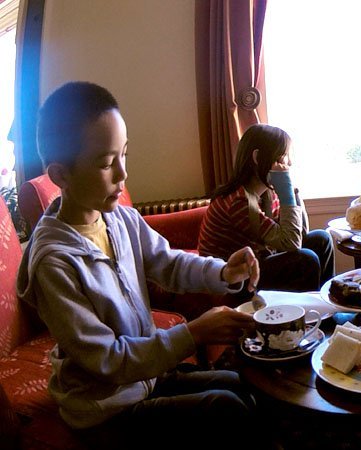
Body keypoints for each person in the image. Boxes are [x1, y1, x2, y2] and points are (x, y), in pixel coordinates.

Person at [16, 81, 263, 449]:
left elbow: (167, 263)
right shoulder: (54, 264)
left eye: (124, 154)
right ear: (60, 176)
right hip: (105, 408)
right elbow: (108, 361)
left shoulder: (118, 218)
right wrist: (193, 333)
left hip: (145, 377)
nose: (122, 174)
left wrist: (223, 271)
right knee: (226, 408)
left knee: (244, 383)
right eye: (105, 163)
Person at [198, 124, 334, 293]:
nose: (289, 163)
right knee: (306, 260)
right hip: (235, 279)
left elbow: (301, 233)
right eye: (283, 156)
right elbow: (291, 243)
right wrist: (286, 194)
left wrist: (292, 192)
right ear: (258, 158)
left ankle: (329, 303)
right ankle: (311, 315)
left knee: (322, 239)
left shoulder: (268, 194)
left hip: (260, 259)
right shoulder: (238, 201)